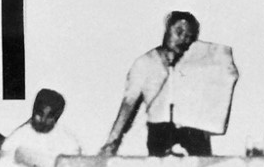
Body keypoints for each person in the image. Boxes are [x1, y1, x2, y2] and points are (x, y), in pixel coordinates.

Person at [100, 12, 238, 157]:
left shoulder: (198, 66)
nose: (183, 39)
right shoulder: (145, 62)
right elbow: (128, 103)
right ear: (167, 28)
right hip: (160, 133)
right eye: (179, 32)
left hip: (193, 134)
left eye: (189, 37)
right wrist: (112, 141)